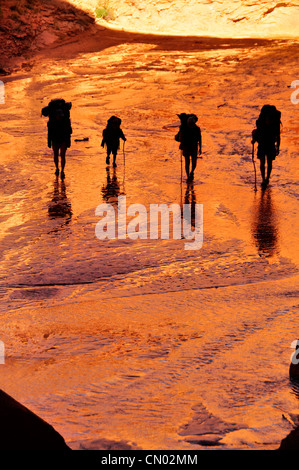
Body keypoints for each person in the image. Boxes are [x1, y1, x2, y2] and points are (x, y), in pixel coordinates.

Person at [42, 99, 72, 179]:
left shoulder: (60, 122)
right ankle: (58, 169)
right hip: (56, 139)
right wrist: (49, 142)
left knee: (62, 155)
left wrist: (68, 142)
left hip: (61, 139)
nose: (60, 117)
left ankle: (62, 170)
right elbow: (50, 133)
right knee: (57, 155)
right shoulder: (54, 123)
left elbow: (69, 132)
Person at [252, 104, 281, 188]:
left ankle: (266, 179)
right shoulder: (262, 123)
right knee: (263, 162)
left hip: (268, 145)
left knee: (268, 162)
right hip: (264, 145)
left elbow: (277, 136)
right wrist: (254, 139)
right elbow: (258, 133)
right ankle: (264, 179)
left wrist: (277, 147)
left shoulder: (273, 125)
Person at [175, 113, 202, 181]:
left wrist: (200, 148)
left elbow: (200, 138)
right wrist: (181, 145)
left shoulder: (197, 129)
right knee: (187, 162)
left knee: (194, 163)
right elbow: (181, 138)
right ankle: (188, 176)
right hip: (187, 147)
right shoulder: (184, 129)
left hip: (194, 147)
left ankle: (191, 172)